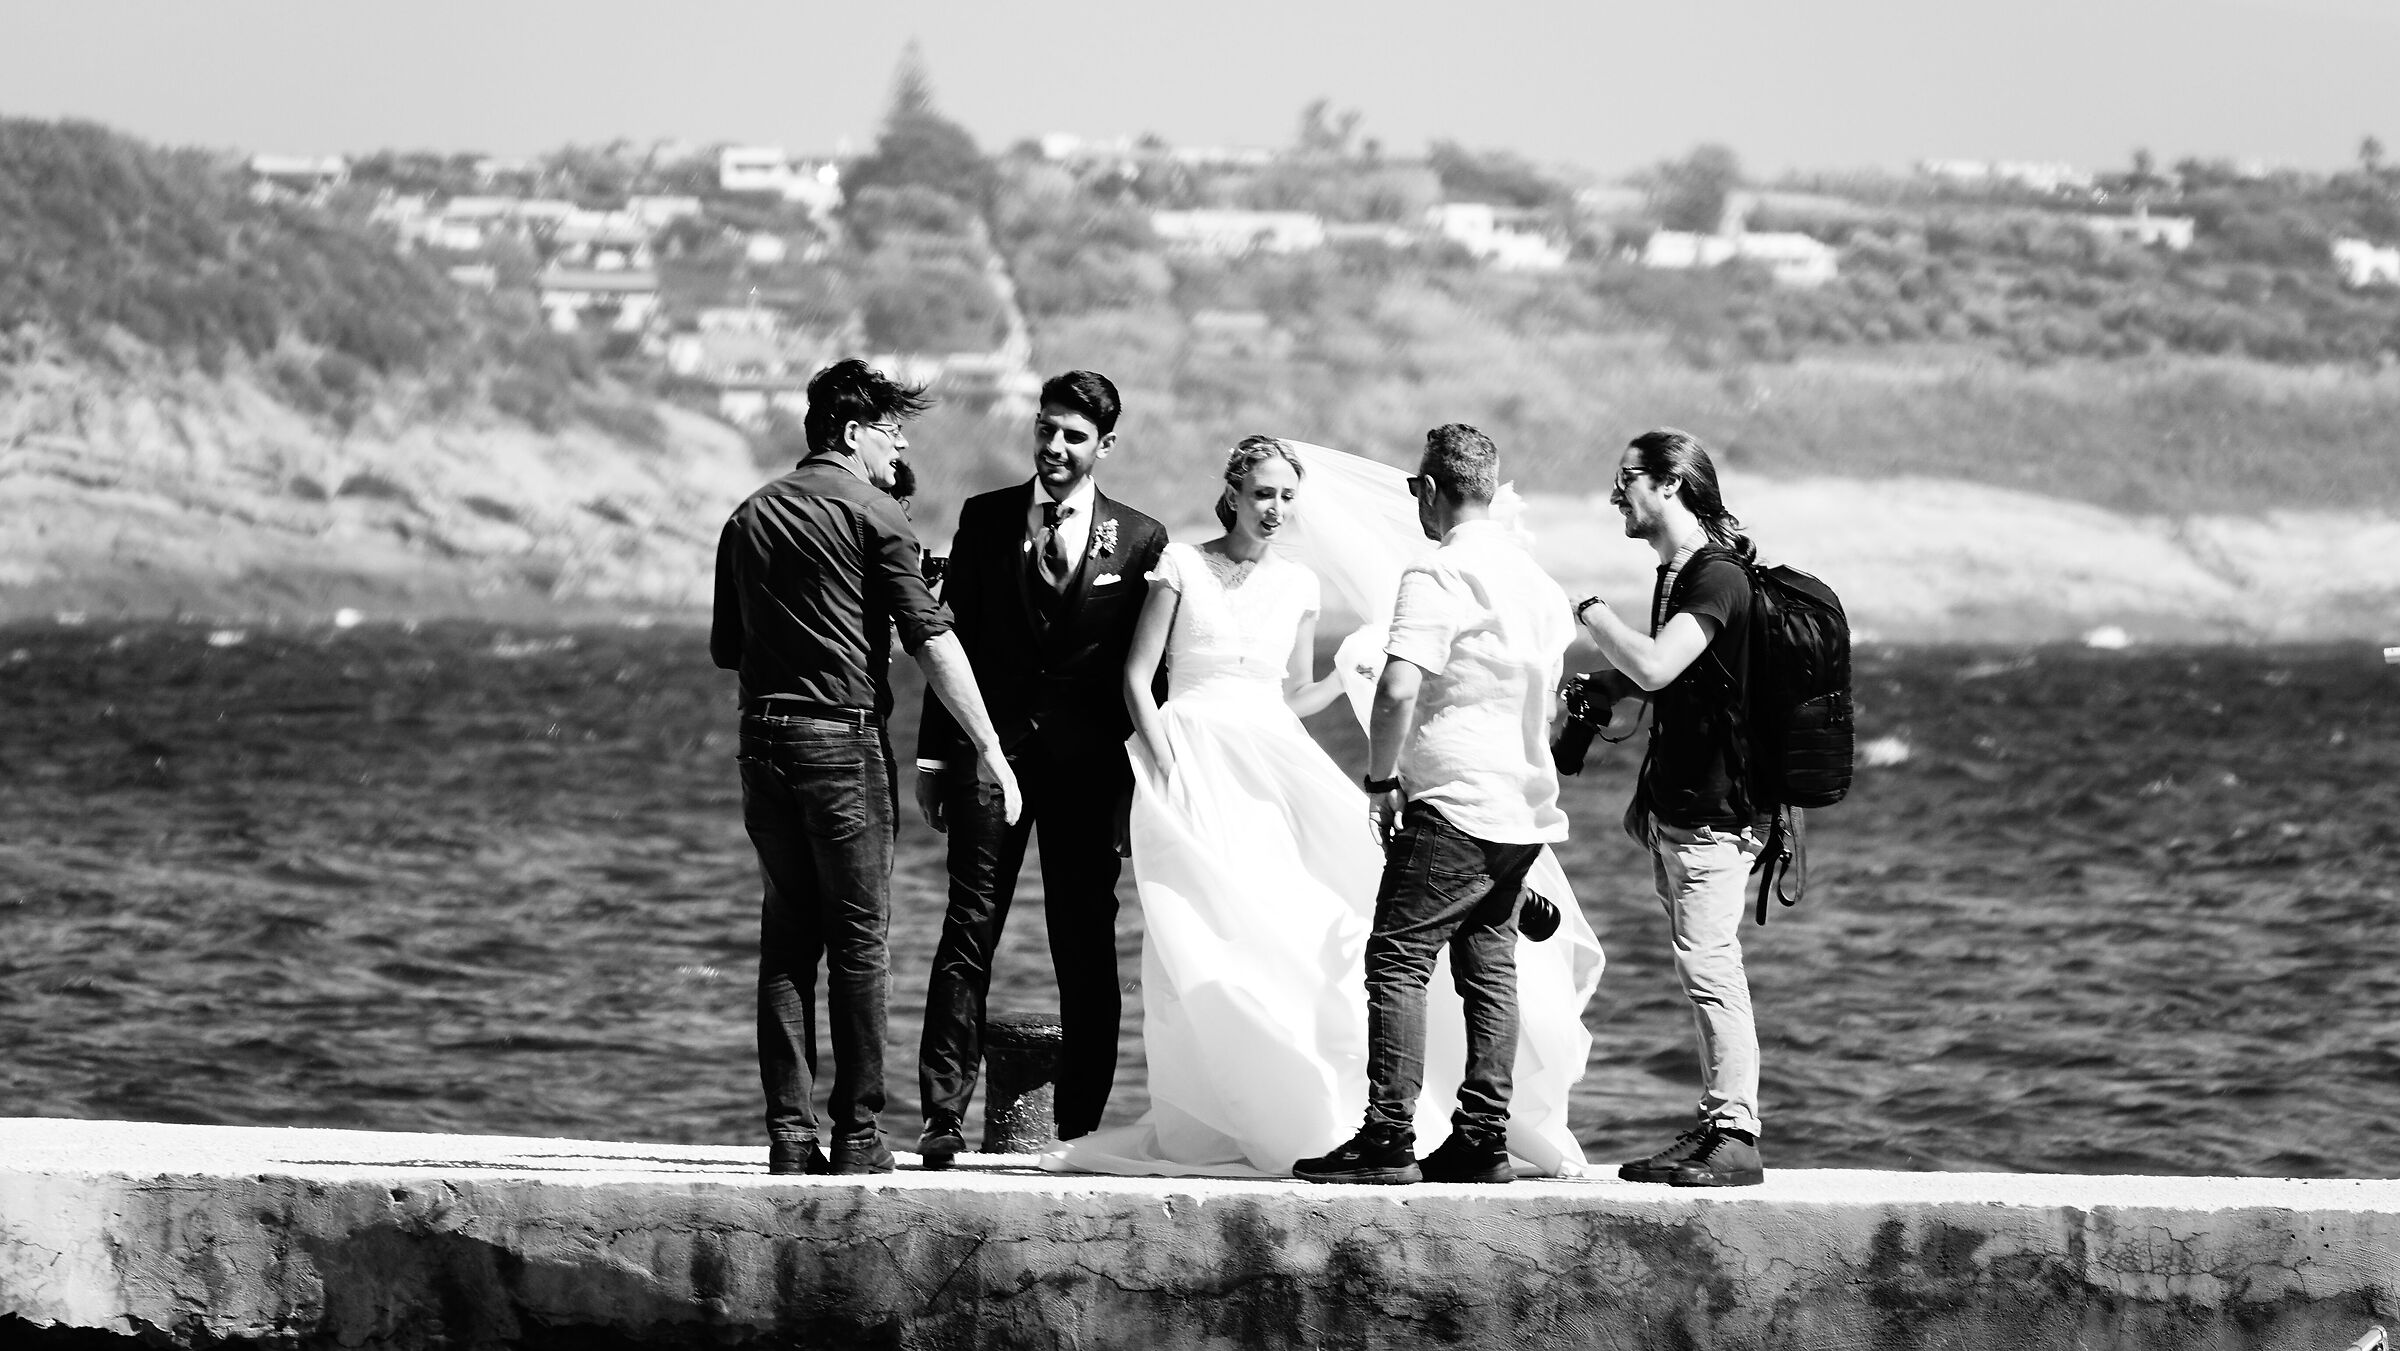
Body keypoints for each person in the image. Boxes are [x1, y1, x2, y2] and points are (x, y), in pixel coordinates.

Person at [1049, 436, 1600, 1180]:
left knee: (1332, 934)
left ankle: (1378, 1126)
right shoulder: (1182, 564)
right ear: (1233, 492)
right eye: (1263, 494)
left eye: (1286, 496)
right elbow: (1138, 679)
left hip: (1273, 760)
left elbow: (1292, 697)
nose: (1275, 509)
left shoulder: (1304, 583)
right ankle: (1453, 1130)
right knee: (1198, 931)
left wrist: (1347, 677)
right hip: (1193, 756)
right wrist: (1168, 764)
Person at [710, 359, 1019, 1177]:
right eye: (891, 428)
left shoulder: (749, 514)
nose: (901, 442)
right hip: (840, 743)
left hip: (760, 738)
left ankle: (787, 1135)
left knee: (786, 939)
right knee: (858, 943)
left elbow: (725, 649)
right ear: (852, 433)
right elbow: (934, 641)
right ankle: (857, 1137)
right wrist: (987, 747)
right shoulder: (877, 514)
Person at [1292, 424, 1577, 1186]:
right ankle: (1481, 1138)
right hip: (1519, 807)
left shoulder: (1438, 571)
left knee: (1397, 956)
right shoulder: (1540, 586)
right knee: (1489, 968)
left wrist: (1382, 779)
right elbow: (1548, 709)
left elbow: (1397, 686)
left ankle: (1388, 1134)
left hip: (1454, 800)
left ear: (1427, 490)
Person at [912, 370, 1169, 1166]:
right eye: (1047, 429)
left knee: (1086, 942)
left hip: (1092, 774)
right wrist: (932, 755)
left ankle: (1082, 1126)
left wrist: (1139, 794)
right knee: (969, 926)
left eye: (1074, 436)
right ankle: (942, 1117)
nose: (1055, 447)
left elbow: (1148, 678)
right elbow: (950, 640)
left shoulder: (1141, 539)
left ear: (1105, 446)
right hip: (992, 755)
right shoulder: (984, 520)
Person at [1571, 426, 1768, 1188]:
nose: (1615, 493)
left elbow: (1655, 662)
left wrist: (1591, 613)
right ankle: (1716, 1122)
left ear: (1670, 485)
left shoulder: (1715, 576)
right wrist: (1602, 690)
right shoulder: (1679, 575)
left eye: (1626, 479)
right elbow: (1669, 681)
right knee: (1700, 967)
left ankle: (1736, 1133)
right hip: (1682, 805)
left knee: (1712, 966)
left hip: (1719, 810)